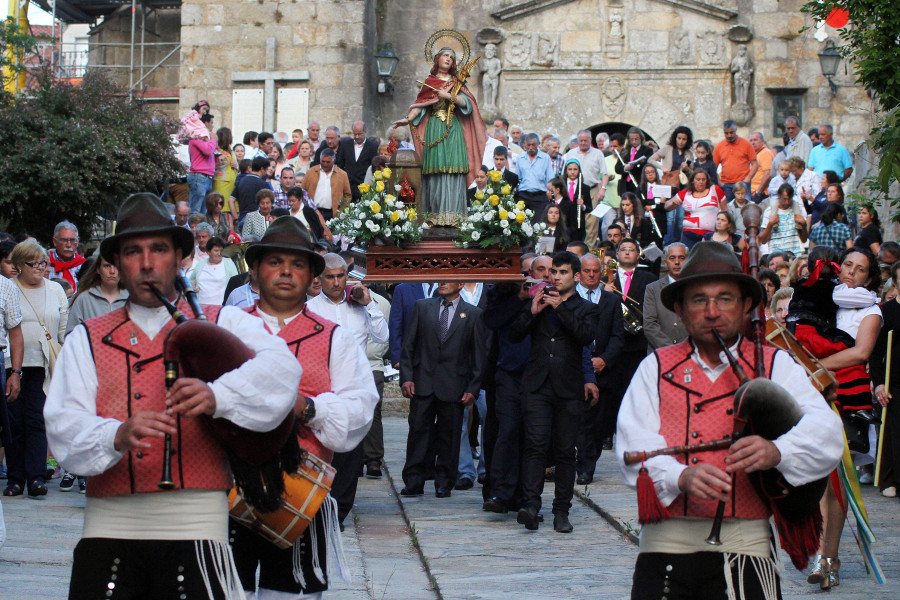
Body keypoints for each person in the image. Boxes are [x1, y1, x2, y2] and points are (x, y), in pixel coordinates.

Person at [43, 192, 301, 599]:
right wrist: (116, 434)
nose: (147, 263)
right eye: (133, 252)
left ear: (180, 256)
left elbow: (283, 372)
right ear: (116, 264)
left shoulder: (223, 321)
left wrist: (219, 395)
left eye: (159, 249)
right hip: (108, 532)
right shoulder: (86, 340)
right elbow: (62, 424)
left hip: (198, 531)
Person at [616, 241, 843, 600]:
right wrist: (680, 475)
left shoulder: (776, 364)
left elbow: (827, 432)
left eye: (725, 298)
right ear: (679, 308)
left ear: (746, 306)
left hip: (746, 542)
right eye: (698, 300)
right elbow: (632, 444)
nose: (711, 311)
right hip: (666, 543)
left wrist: (777, 451)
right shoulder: (654, 367)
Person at [234, 216, 378, 599]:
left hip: (301, 492)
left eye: (297, 263)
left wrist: (307, 408)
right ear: (256, 268)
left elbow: (359, 409)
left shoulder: (336, 339)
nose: (285, 272)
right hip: (227, 492)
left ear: (313, 275)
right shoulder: (226, 327)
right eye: (274, 261)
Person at [788, 247, 881, 589]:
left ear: (869, 279)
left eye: (859, 270)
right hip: (812, 397)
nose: (850, 273)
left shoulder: (870, 310)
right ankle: (823, 555)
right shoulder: (824, 300)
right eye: (847, 265)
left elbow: (862, 351)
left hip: (845, 399)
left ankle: (828, 557)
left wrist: (818, 367)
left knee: (836, 481)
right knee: (816, 480)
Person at [508, 251, 600, 532]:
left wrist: (560, 308)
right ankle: (532, 506)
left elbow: (585, 336)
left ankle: (562, 511)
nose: (556, 277)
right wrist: (531, 313)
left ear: (575, 276)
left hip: (569, 388)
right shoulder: (540, 301)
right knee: (534, 447)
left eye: (562, 273)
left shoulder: (585, 307)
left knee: (564, 452)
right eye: (553, 272)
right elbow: (514, 335)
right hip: (537, 386)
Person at [307, 253, 388, 526]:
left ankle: (340, 511)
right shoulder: (310, 308)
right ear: (319, 278)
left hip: (354, 388)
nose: (336, 282)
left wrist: (369, 305)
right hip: (324, 387)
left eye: (340, 276)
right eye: (329, 277)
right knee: (324, 449)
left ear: (347, 275)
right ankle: (318, 506)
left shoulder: (361, 305)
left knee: (351, 453)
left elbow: (383, 337)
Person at [399, 282, 486, 498]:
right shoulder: (422, 307)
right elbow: (409, 346)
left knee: (450, 436)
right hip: (423, 383)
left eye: (448, 279)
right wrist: (407, 378)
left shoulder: (473, 314)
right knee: (418, 434)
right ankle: (413, 481)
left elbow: (478, 356)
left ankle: (444, 482)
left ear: (460, 284)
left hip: (454, 385)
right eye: (440, 279)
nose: (442, 283)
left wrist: (473, 388)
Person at [395, 46, 488, 226]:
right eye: (445, 55)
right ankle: (433, 215)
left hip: (453, 129)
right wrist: (408, 119)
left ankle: (455, 216)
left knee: (453, 169)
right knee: (435, 170)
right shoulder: (429, 82)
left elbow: (468, 103)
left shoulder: (457, 82)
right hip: (434, 128)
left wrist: (449, 96)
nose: (449, 59)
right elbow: (420, 105)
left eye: (452, 58)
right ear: (437, 59)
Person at [5, 241, 68, 498]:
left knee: (37, 420)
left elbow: (63, 328)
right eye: (34, 264)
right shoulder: (9, 288)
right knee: (14, 422)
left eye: (44, 263)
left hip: (44, 364)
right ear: (19, 266)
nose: (40, 268)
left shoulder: (55, 290)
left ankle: (36, 477)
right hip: (13, 365)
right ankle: (15, 478)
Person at [575, 253, 624, 485]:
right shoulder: (569, 297)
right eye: (587, 271)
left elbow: (618, 336)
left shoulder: (611, 301)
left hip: (602, 369)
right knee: (576, 420)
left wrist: (604, 359)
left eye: (596, 271)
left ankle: (587, 466)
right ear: (579, 272)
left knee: (596, 423)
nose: (592, 275)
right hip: (573, 368)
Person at [871, 260, 900, 498]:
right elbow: (876, 352)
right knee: (893, 430)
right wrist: (879, 383)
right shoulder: (887, 311)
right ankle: (890, 480)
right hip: (895, 382)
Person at [563, 130, 611, 245]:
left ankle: (589, 249)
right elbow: (564, 172)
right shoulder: (571, 153)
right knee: (572, 219)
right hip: (573, 190)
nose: (583, 143)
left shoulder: (598, 153)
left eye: (586, 140)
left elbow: (605, 173)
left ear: (590, 140)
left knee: (592, 222)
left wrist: (603, 189)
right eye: (581, 140)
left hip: (592, 189)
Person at [642, 242, 689, 351]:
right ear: (666, 262)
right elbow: (649, 325)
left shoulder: (696, 288)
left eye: (681, 258)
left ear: (688, 260)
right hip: (660, 354)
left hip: (690, 354)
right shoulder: (652, 289)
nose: (677, 262)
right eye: (672, 258)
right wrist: (672, 350)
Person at [666, 170, 727, 249]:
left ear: (707, 181)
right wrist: (673, 204)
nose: (701, 182)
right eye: (698, 179)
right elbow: (666, 206)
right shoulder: (686, 192)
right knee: (689, 259)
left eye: (703, 179)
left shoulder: (715, 190)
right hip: (689, 234)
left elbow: (725, 210)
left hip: (710, 234)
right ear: (692, 181)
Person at [302, 148, 352, 222]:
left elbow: (347, 195)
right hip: (313, 211)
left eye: (328, 162)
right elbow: (303, 191)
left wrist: (340, 211)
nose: (325, 164)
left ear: (334, 161)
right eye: (323, 161)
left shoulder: (342, 175)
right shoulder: (311, 172)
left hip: (333, 214)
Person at [713, 120, 758, 201]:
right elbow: (713, 168)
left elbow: (755, 164)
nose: (729, 135)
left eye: (731, 132)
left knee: (745, 210)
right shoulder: (719, 147)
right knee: (728, 211)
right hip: (726, 185)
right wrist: (720, 183)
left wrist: (748, 179)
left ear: (736, 130)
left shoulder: (746, 144)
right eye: (726, 133)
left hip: (743, 183)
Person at [516, 133, 556, 219]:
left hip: (540, 196)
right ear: (525, 145)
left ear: (538, 144)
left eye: (533, 145)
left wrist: (550, 192)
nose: (530, 148)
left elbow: (550, 178)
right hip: (523, 195)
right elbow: (517, 177)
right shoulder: (520, 158)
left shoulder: (545, 158)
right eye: (528, 145)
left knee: (539, 223)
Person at [760, 183, 807, 256]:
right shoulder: (769, 212)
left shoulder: (796, 211)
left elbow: (804, 240)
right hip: (776, 256)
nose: (787, 202)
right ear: (779, 195)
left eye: (789, 199)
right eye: (784, 199)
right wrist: (770, 224)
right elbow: (763, 241)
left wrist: (804, 225)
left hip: (794, 255)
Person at [336, 120, 379, 200]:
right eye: (355, 134)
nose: (357, 137)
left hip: (364, 188)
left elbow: (374, 168)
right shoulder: (345, 145)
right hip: (347, 188)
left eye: (359, 134)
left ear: (365, 132)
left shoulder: (373, 147)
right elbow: (340, 165)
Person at [189, 237, 238, 306]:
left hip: (222, 307)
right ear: (208, 252)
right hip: (201, 306)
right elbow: (191, 281)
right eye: (216, 250)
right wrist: (192, 286)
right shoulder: (200, 264)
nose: (219, 253)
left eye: (221, 250)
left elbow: (236, 285)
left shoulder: (229, 265)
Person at [187, 113, 218, 214]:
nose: (212, 126)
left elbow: (211, 152)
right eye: (211, 123)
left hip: (207, 177)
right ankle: (192, 229)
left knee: (204, 211)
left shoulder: (205, 139)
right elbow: (208, 151)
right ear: (205, 123)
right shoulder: (196, 138)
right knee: (195, 210)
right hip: (198, 176)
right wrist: (213, 139)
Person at [47, 221, 86, 291]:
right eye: (64, 240)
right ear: (55, 242)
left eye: (72, 240)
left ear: (77, 242)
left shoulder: (84, 266)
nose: (68, 245)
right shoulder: (45, 264)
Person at [212, 127, 239, 208]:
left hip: (232, 183)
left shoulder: (232, 152)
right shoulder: (216, 151)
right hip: (221, 182)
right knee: (221, 205)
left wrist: (237, 167)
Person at [748, 131, 775, 203]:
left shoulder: (765, 152)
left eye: (755, 140)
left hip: (762, 194)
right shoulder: (756, 154)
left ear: (762, 141)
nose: (752, 142)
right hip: (755, 193)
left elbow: (768, 174)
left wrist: (758, 193)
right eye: (751, 140)